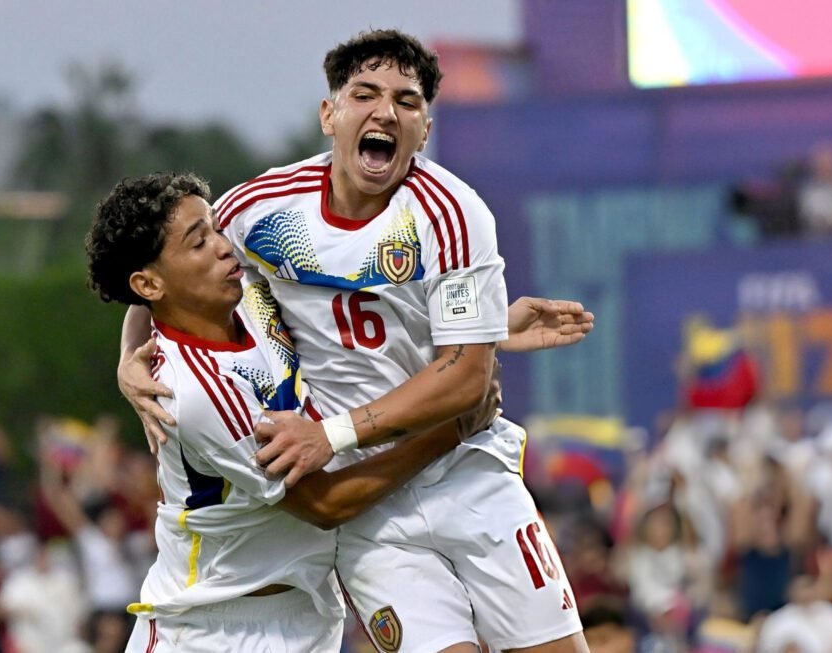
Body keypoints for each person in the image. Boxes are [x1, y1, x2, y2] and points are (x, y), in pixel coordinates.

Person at [119, 30, 593, 652]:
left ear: (424, 130)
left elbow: (468, 378)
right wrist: (129, 361)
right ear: (330, 114)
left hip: (469, 475)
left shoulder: (452, 212)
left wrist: (333, 433)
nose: (385, 112)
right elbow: (165, 277)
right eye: (365, 94)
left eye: (407, 101)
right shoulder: (261, 206)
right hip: (370, 504)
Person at [86, 172, 497, 652]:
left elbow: (359, 323)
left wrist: (489, 327)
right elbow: (324, 505)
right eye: (199, 243)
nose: (224, 246)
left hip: (308, 617)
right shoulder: (193, 390)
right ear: (149, 282)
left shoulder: (252, 293)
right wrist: (450, 429)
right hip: (210, 631)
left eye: (216, 228)